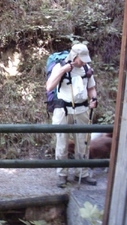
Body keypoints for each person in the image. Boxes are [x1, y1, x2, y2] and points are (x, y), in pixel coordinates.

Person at [46, 43, 98, 188]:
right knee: (62, 143)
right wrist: (63, 70)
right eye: (81, 59)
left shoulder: (86, 68)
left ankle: (82, 173)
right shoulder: (60, 67)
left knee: (83, 143)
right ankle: (62, 175)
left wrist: (93, 98)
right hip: (63, 110)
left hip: (82, 110)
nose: (84, 62)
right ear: (74, 56)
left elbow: (91, 88)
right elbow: (49, 86)